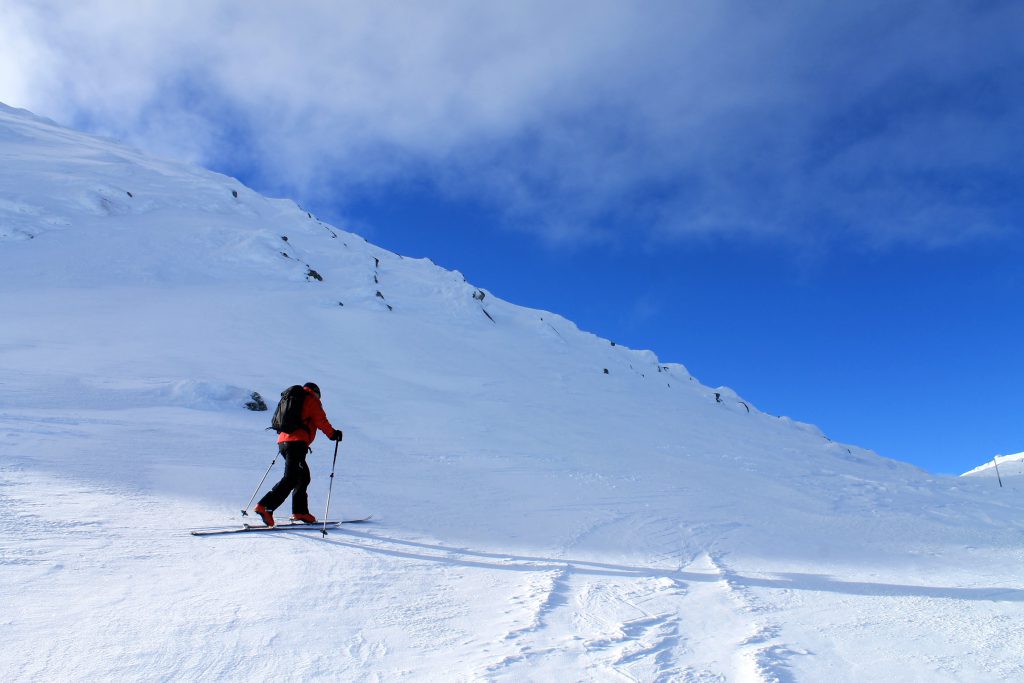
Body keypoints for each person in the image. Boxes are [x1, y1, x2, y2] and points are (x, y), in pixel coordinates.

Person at [254, 382, 343, 527]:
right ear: (316, 392)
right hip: (296, 443)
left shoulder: (293, 398)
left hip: (283, 442)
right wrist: (333, 434)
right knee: (291, 478)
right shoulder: (311, 400)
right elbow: (321, 420)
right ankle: (265, 506)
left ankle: (300, 512)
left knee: (303, 477)